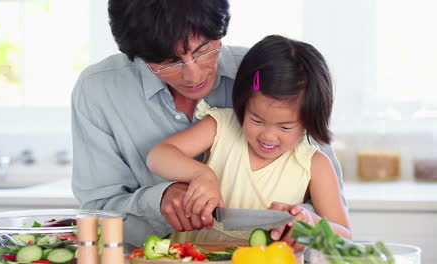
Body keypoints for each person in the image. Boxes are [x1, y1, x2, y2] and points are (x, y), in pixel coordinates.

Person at [71, 0, 347, 252]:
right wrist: (161, 198)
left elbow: (334, 222)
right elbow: (97, 213)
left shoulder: (266, 77)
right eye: (169, 62)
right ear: (138, 55)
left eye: (203, 50)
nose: (193, 75)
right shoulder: (99, 90)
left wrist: (301, 224)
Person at [147, 34, 351, 249]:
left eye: (285, 127)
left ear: (309, 121)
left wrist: (312, 225)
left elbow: (345, 238)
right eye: (256, 120)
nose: (268, 136)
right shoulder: (221, 126)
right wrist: (201, 175)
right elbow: (159, 155)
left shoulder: (314, 164)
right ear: (242, 104)